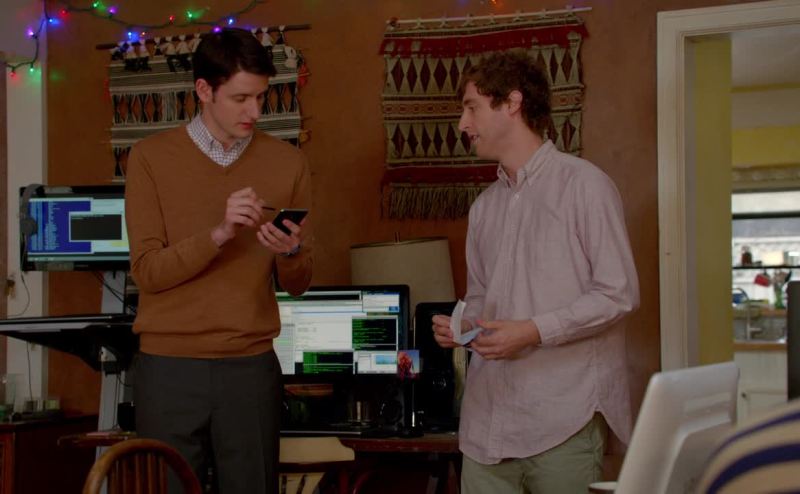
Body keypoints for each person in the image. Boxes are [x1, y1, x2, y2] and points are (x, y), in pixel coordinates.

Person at [432, 50, 639, 493]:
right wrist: (465, 326)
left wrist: (532, 331)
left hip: (562, 419)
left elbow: (617, 294)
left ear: (512, 103)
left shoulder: (585, 186)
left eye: (471, 107)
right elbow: (483, 298)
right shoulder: (484, 208)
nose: (462, 124)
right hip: (487, 428)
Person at [125, 28, 313, 494]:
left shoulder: (289, 163)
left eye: (261, 97)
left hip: (250, 368)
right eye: (241, 98)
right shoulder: (149, 159)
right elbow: (147, 272)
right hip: (168, 369)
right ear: (204, 90)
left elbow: (298, 284)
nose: (255, 112)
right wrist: (219, 234)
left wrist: (290, 252)